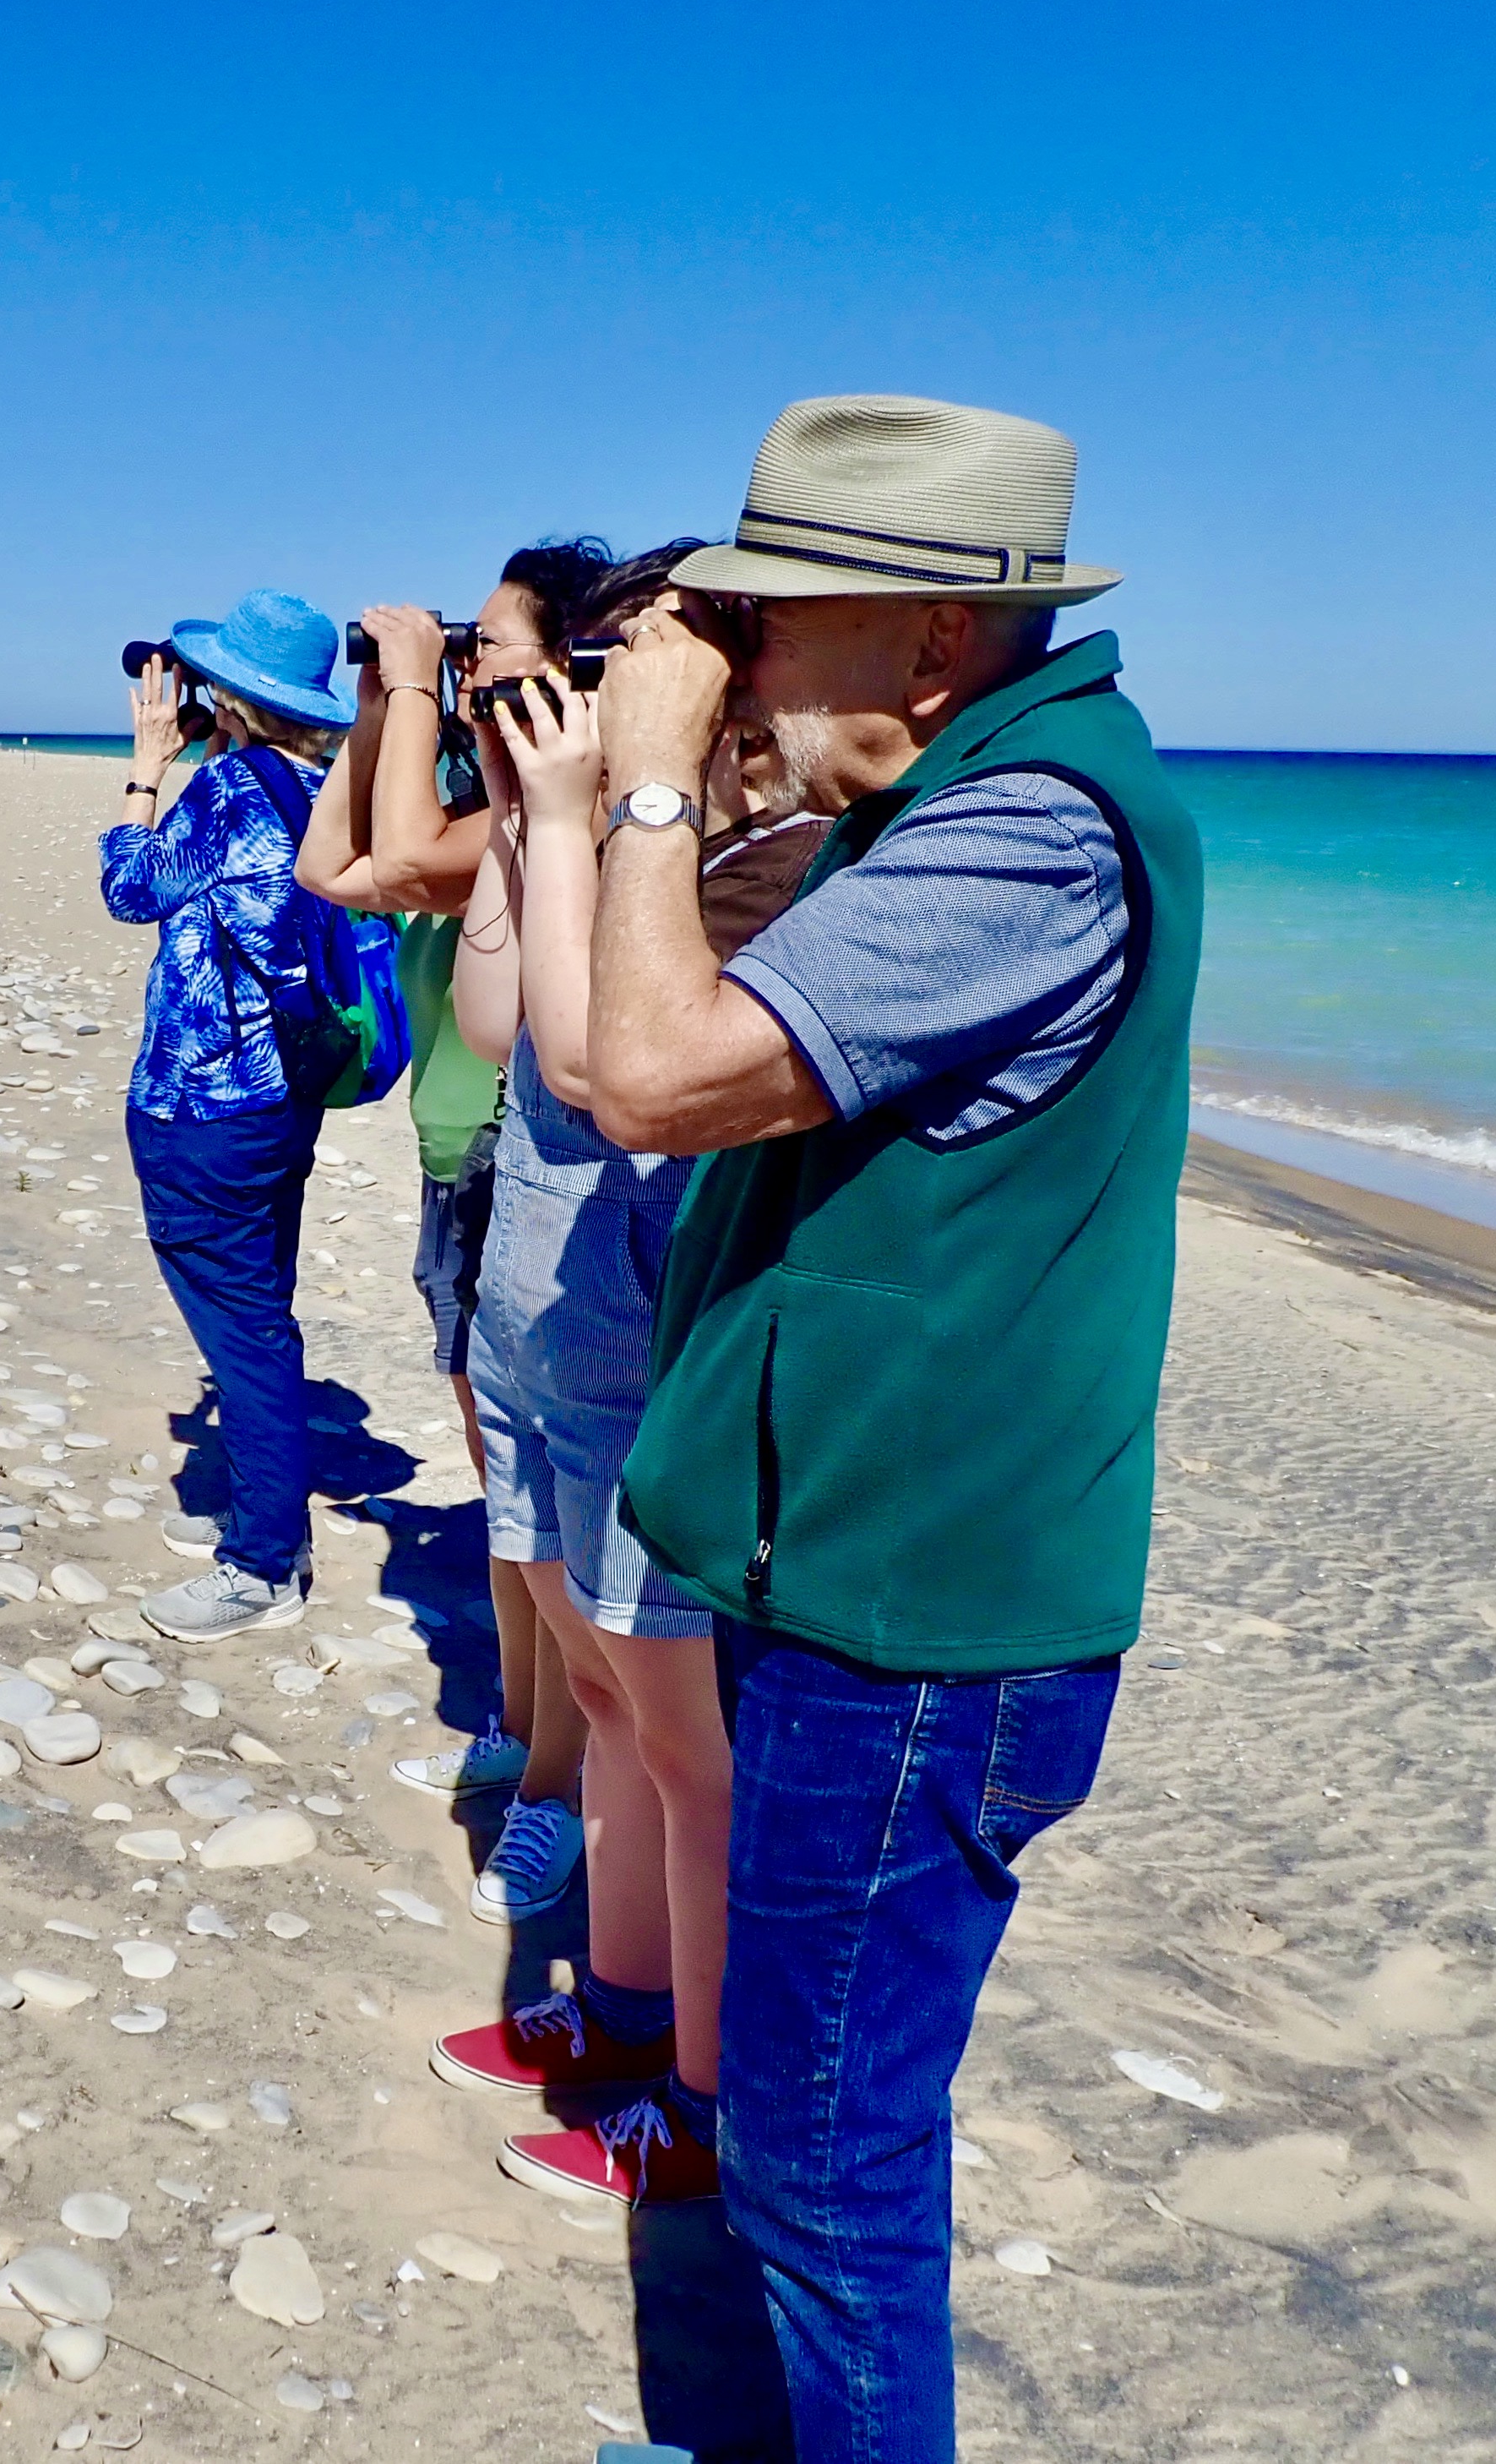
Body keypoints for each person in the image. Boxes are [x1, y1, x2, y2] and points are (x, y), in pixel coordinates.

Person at [586, 395, 1200, 2461]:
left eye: (767, 619)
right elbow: (598, 1051)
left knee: (827, 2166)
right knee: (818, 2127)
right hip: (855, 1577)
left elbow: (658, 1081)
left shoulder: (1025, 835)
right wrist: (656, 787)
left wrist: (655, 780)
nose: (730, 654)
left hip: (915, 1626)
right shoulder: (947, 801)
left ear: (932, 645)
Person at [424, 542, 829, 2208]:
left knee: (686, 1750)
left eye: (631, 664)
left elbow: (596, 1068)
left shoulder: (777, 867)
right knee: (609, 1709)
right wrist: (538, 823)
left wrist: (618, 809)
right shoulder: (622, 845)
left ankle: (706, 2103)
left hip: (648, 1347)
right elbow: (501, 1021)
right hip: (559, 1331)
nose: (594, 697)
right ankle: (624, 2013)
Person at [296, 548, 641, 1925]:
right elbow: (336, 861)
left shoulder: (580, 818)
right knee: (509, 1507)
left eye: (492, 641)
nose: (474, 658)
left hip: (529, 1171)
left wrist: (415, 688)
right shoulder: (500, 808)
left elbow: (381, 871)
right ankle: (525, 1728)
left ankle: (559, 1784)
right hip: (465, 1171)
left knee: (545, 1515)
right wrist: (392, 710)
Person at [102, 588, 356, 1643]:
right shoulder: (316, 787)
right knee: (263, 1306)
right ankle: (267, 1513)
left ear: (232, 697)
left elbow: (129, 889)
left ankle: (261, 1564)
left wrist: (146, 768)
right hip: (282, 1093)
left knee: (244, 1331)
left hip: (203, 1103)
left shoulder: (224, 790)